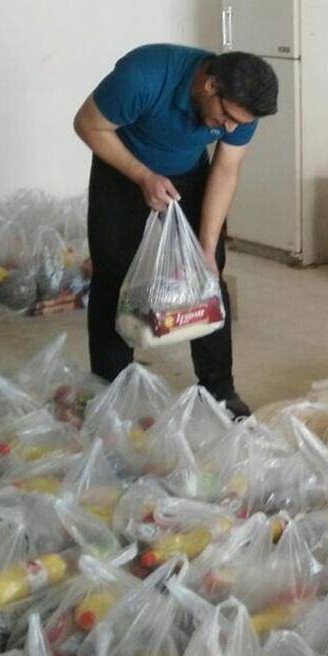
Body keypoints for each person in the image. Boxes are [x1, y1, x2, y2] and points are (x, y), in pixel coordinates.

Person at [73, 43, 279, 418]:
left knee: (207, 276)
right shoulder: (145, 75)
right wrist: (143, 176)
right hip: (123, 170)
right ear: (210, 85)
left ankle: (219, 387)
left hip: (189, 172)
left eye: (239, 124)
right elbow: (88, 123)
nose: (230, 128)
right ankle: (111, 385)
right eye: (227, 117)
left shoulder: (241, 108)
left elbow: (225, 170)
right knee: (114, 275)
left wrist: (207, 248)